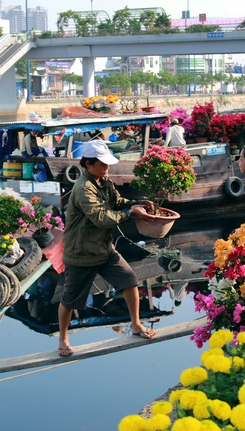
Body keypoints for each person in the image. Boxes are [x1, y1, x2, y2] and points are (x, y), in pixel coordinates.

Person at [58, 139, 156, 357]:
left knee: (129, 281)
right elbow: (101, 217)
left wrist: (135, 204)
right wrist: (131, 214)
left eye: (107, 164)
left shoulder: (103, 180)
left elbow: (116, 200)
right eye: (102, 164)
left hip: (103, 248)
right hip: (81, 252)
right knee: (70, 299)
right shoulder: (83, 188)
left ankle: (136, 324)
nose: (106, 167)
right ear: (88, 164)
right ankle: (63, 338)